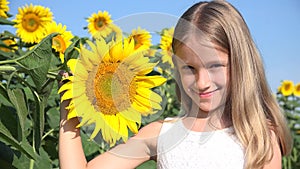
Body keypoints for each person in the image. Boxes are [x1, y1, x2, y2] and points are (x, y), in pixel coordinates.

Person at [59, 1, 292, 169]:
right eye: (190, 68)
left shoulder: (259, 137)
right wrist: (69, 108)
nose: (202, 83)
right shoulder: (162, 134)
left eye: (215, 66)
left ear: (241, 62)